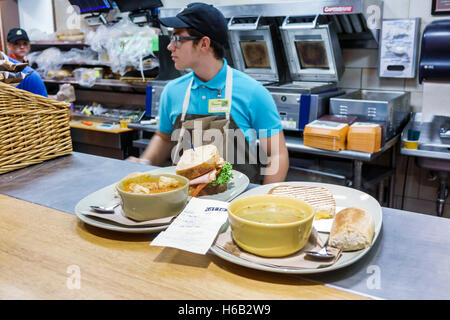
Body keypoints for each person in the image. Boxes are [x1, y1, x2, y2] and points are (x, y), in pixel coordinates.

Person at [128, 2, 289, 184]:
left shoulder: (253, 93)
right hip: (185, 201)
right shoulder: (172, 91)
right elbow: (164, 138)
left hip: (236, 202)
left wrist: (264, 200)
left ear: (204, 43)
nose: (170, 47)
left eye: (178, 39)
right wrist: (144, 163)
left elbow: (276, 154)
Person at [5, 28, 48, 97]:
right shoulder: (7, 68)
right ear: (8, 45)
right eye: (16, 43)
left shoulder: (27, 65)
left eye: (25, 43)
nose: (22, 47)